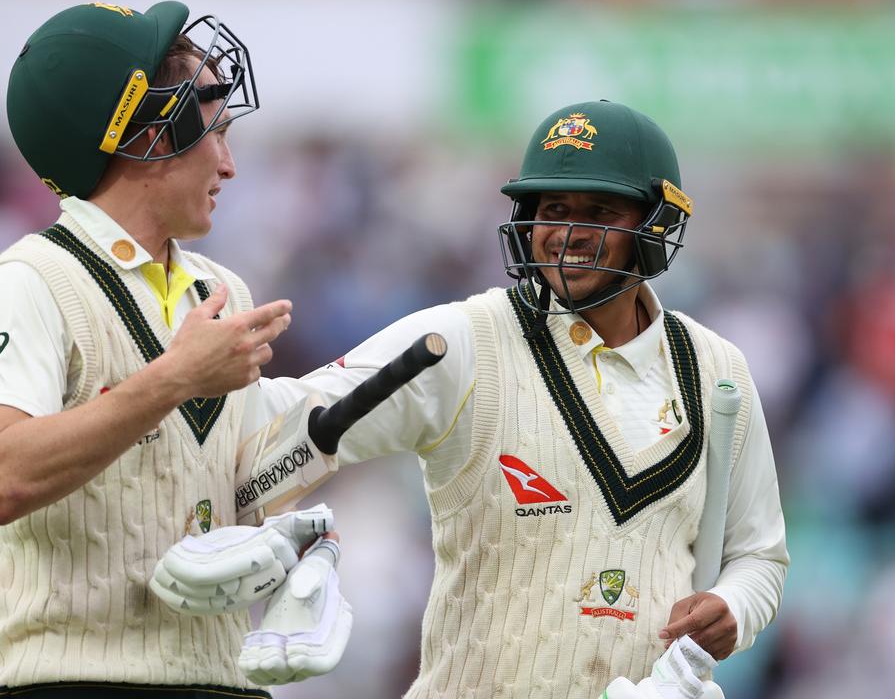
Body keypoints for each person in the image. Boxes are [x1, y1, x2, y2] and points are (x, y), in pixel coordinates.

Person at [258, 100, 789, 697]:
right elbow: (292, 424)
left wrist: (733, 607)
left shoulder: (717, 370)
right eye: (554, 208)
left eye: (600, 211)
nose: (568, 232)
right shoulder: (464, 341)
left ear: (658, 223)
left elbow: (759, 557)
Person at [0, 0, 334, 698]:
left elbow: (241, 498)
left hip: (221, 680)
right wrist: (173, 379)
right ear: (154, 136)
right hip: (64, 681)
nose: (230, 165)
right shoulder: (31, 279)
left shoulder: (222, 290)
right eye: (217, 132)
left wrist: (305, 540)